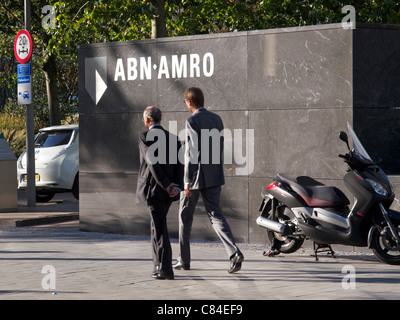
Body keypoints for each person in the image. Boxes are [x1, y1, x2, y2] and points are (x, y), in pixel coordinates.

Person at [173, 87, 244, 274]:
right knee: (216, 215)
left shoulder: (192, 120)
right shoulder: (216, 119)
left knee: (184, 217)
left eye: (185, 102)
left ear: (189, 102)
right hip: (214, 175)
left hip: (196, 178)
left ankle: (184, 260)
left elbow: (191, 153)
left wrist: (187, 181)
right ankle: (234, 252)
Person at [136, 106, 181, 280]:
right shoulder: (173, 138)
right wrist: (174, 186)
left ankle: (165, 269)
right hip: (168, 191)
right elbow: (179, 165)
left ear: (147, 120)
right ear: (159, 119)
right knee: (156, 226)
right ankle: (157, 265)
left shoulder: (144, 137)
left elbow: (152, 162)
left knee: (160, 228)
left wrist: (167, 184)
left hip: (155, 189)